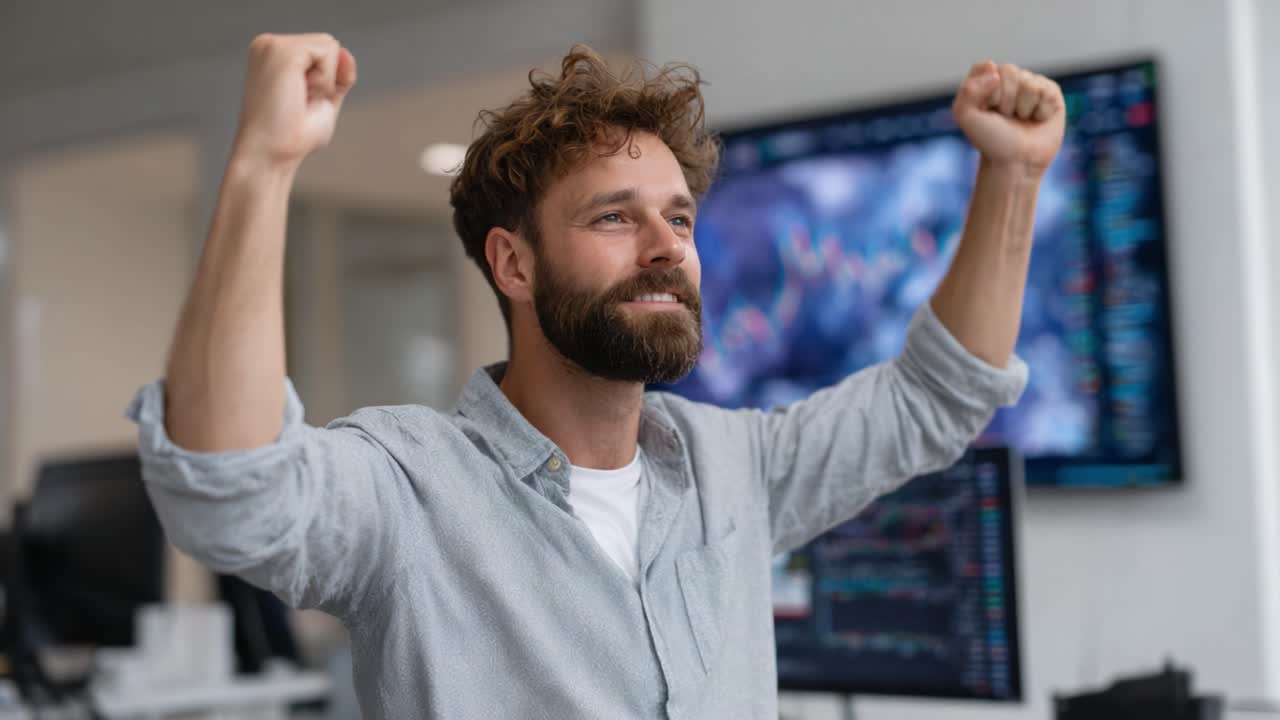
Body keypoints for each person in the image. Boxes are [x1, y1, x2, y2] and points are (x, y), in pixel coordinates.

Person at [128, 32, 1063, 720]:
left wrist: (1014, 177)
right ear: (515, 265)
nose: (666, 248)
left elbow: (935, 397)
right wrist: (262, 165)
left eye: (682, 219)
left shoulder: (732, 467)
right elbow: (232, 489)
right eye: (616, 219)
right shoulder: (410, 489)